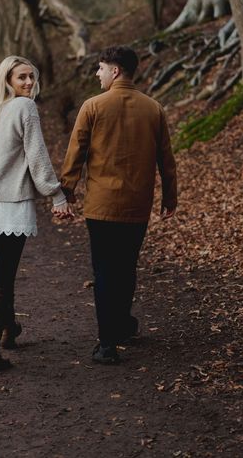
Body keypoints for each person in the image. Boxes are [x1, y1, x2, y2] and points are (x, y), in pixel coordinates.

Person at [59, 45, 177, 364]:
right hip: (137, 205)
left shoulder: (93, 106)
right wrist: (170, 198)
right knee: (126, 267)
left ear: (115, 71)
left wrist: (66, 191)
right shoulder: (153, 108)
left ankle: (107, 342)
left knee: (104, 271)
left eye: (100, 68)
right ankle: (123, 324)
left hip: (100, 206)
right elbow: (166, 160)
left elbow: (76, 154)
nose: (97, 74)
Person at [0, 55, 68, 374]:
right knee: (3, 276)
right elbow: (37, 156)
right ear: (6, 79)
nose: (29, 83)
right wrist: (56, 194)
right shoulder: (25, 108)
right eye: (22, 77)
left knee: (2, 270)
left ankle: (8, 331)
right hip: (11, 205)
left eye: (32, 77)